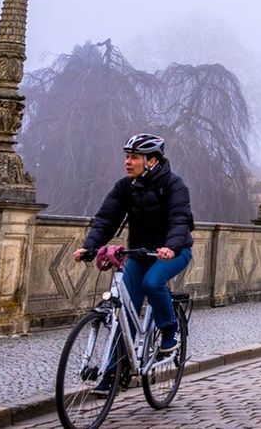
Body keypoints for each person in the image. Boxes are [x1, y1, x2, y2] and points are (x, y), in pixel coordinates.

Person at [72, 133, 193, 394]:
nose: (128, 162)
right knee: (123, 313)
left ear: (152, 161)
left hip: (174, 252)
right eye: (127, 157)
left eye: (134, 157)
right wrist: (89, 246)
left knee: (153, 283)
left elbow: (180, 219)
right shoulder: (125, 187)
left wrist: (171, 247)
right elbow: (106, 219)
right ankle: (113, 374)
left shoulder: (173, 185)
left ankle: (169, 330)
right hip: (139, 254)